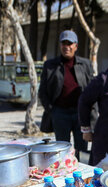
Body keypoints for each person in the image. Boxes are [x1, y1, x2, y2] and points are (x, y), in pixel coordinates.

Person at [39, 30, 94, 162]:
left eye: (70, 44)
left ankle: (81, 175)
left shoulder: (85, 64)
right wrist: (51, 110)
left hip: (80, 114)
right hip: (60, 113)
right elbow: (43, 91)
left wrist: (91, 112)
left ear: (76, 46)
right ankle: (65, 176)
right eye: (64, 43)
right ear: (60, 45)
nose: (66, 47)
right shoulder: (50, 65)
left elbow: (92, 89)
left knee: (82, 148)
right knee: (62, 149)